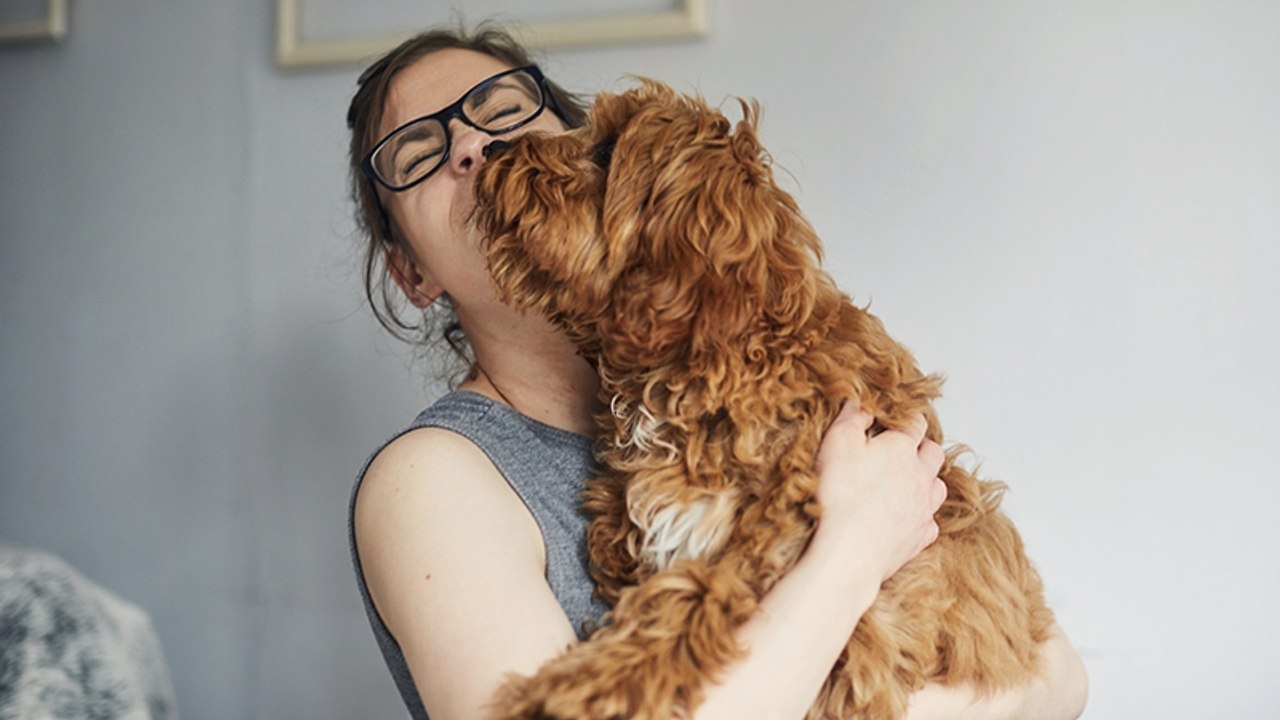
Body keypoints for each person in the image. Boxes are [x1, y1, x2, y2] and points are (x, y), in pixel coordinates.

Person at [346, 25, 1088, 720]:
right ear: (411, 273)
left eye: (500, 109)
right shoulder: (432, 481)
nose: (474, 147)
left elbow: (1059, 677)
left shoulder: (767, 387)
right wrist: (854, 550)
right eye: (416, 154)